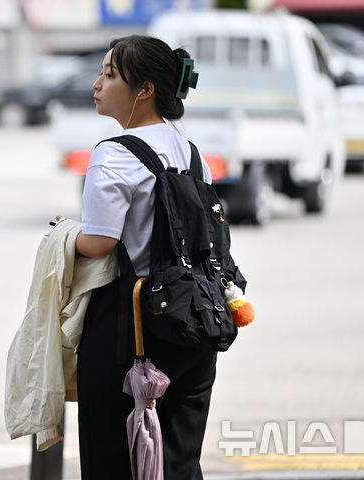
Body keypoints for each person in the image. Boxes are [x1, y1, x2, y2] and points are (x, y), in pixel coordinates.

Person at [70, 35, 215, 480]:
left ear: (145, 89)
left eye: (110, 74)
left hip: (129, 331)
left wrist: (63, 234)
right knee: (179, 461)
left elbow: (99, 243)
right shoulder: (192, 154)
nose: (97, 83)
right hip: (196, 325)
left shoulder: (114, 154)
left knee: (112, 460)